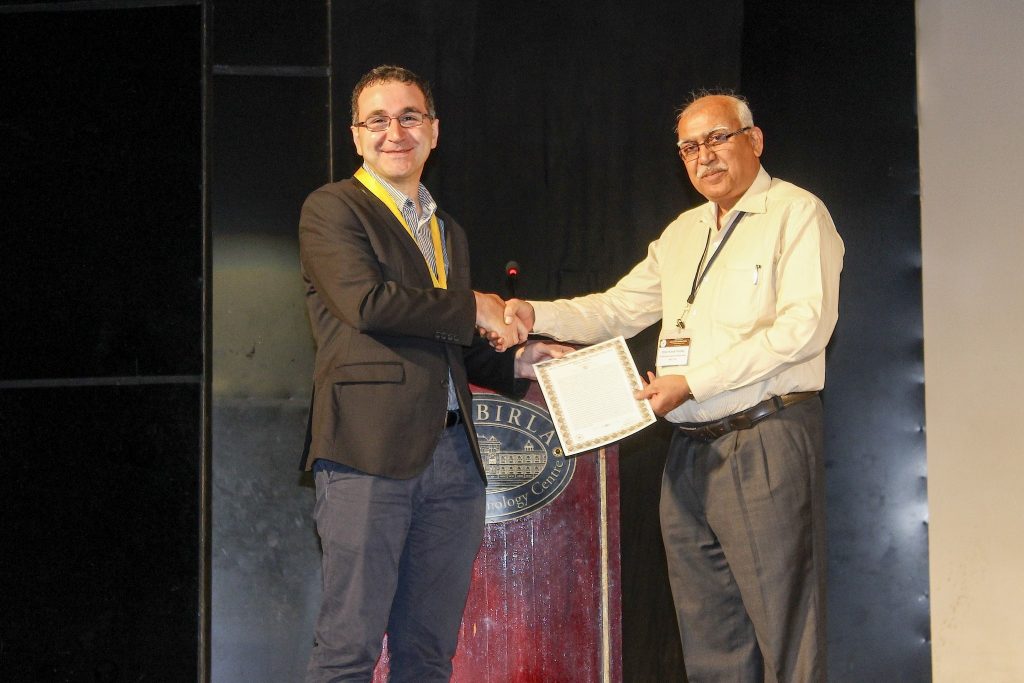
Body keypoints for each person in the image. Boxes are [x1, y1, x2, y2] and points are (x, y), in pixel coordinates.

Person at [503, 93, 844, 681]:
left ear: (753, 140)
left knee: (787, 634)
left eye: (717, 139)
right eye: (690, 147)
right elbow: (614, 311)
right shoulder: (683, 232)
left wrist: (694, 382)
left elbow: (803, 330)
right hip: (687, 450)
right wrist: (529, 313)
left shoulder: (798, 213)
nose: (704, 156)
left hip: (764, 437)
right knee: (710, 637)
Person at [298, 64, 568, 682]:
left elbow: (446, 341)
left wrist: (519, 360)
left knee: (428, 655)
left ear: (434, 131)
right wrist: (475, 305)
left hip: (453, 459)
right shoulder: (334, 208)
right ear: (357, 135)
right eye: (378, 120)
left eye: (409, 117)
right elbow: (368, 304)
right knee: (348, 650)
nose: (395, 131)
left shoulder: (447, 230)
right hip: (367, 451)